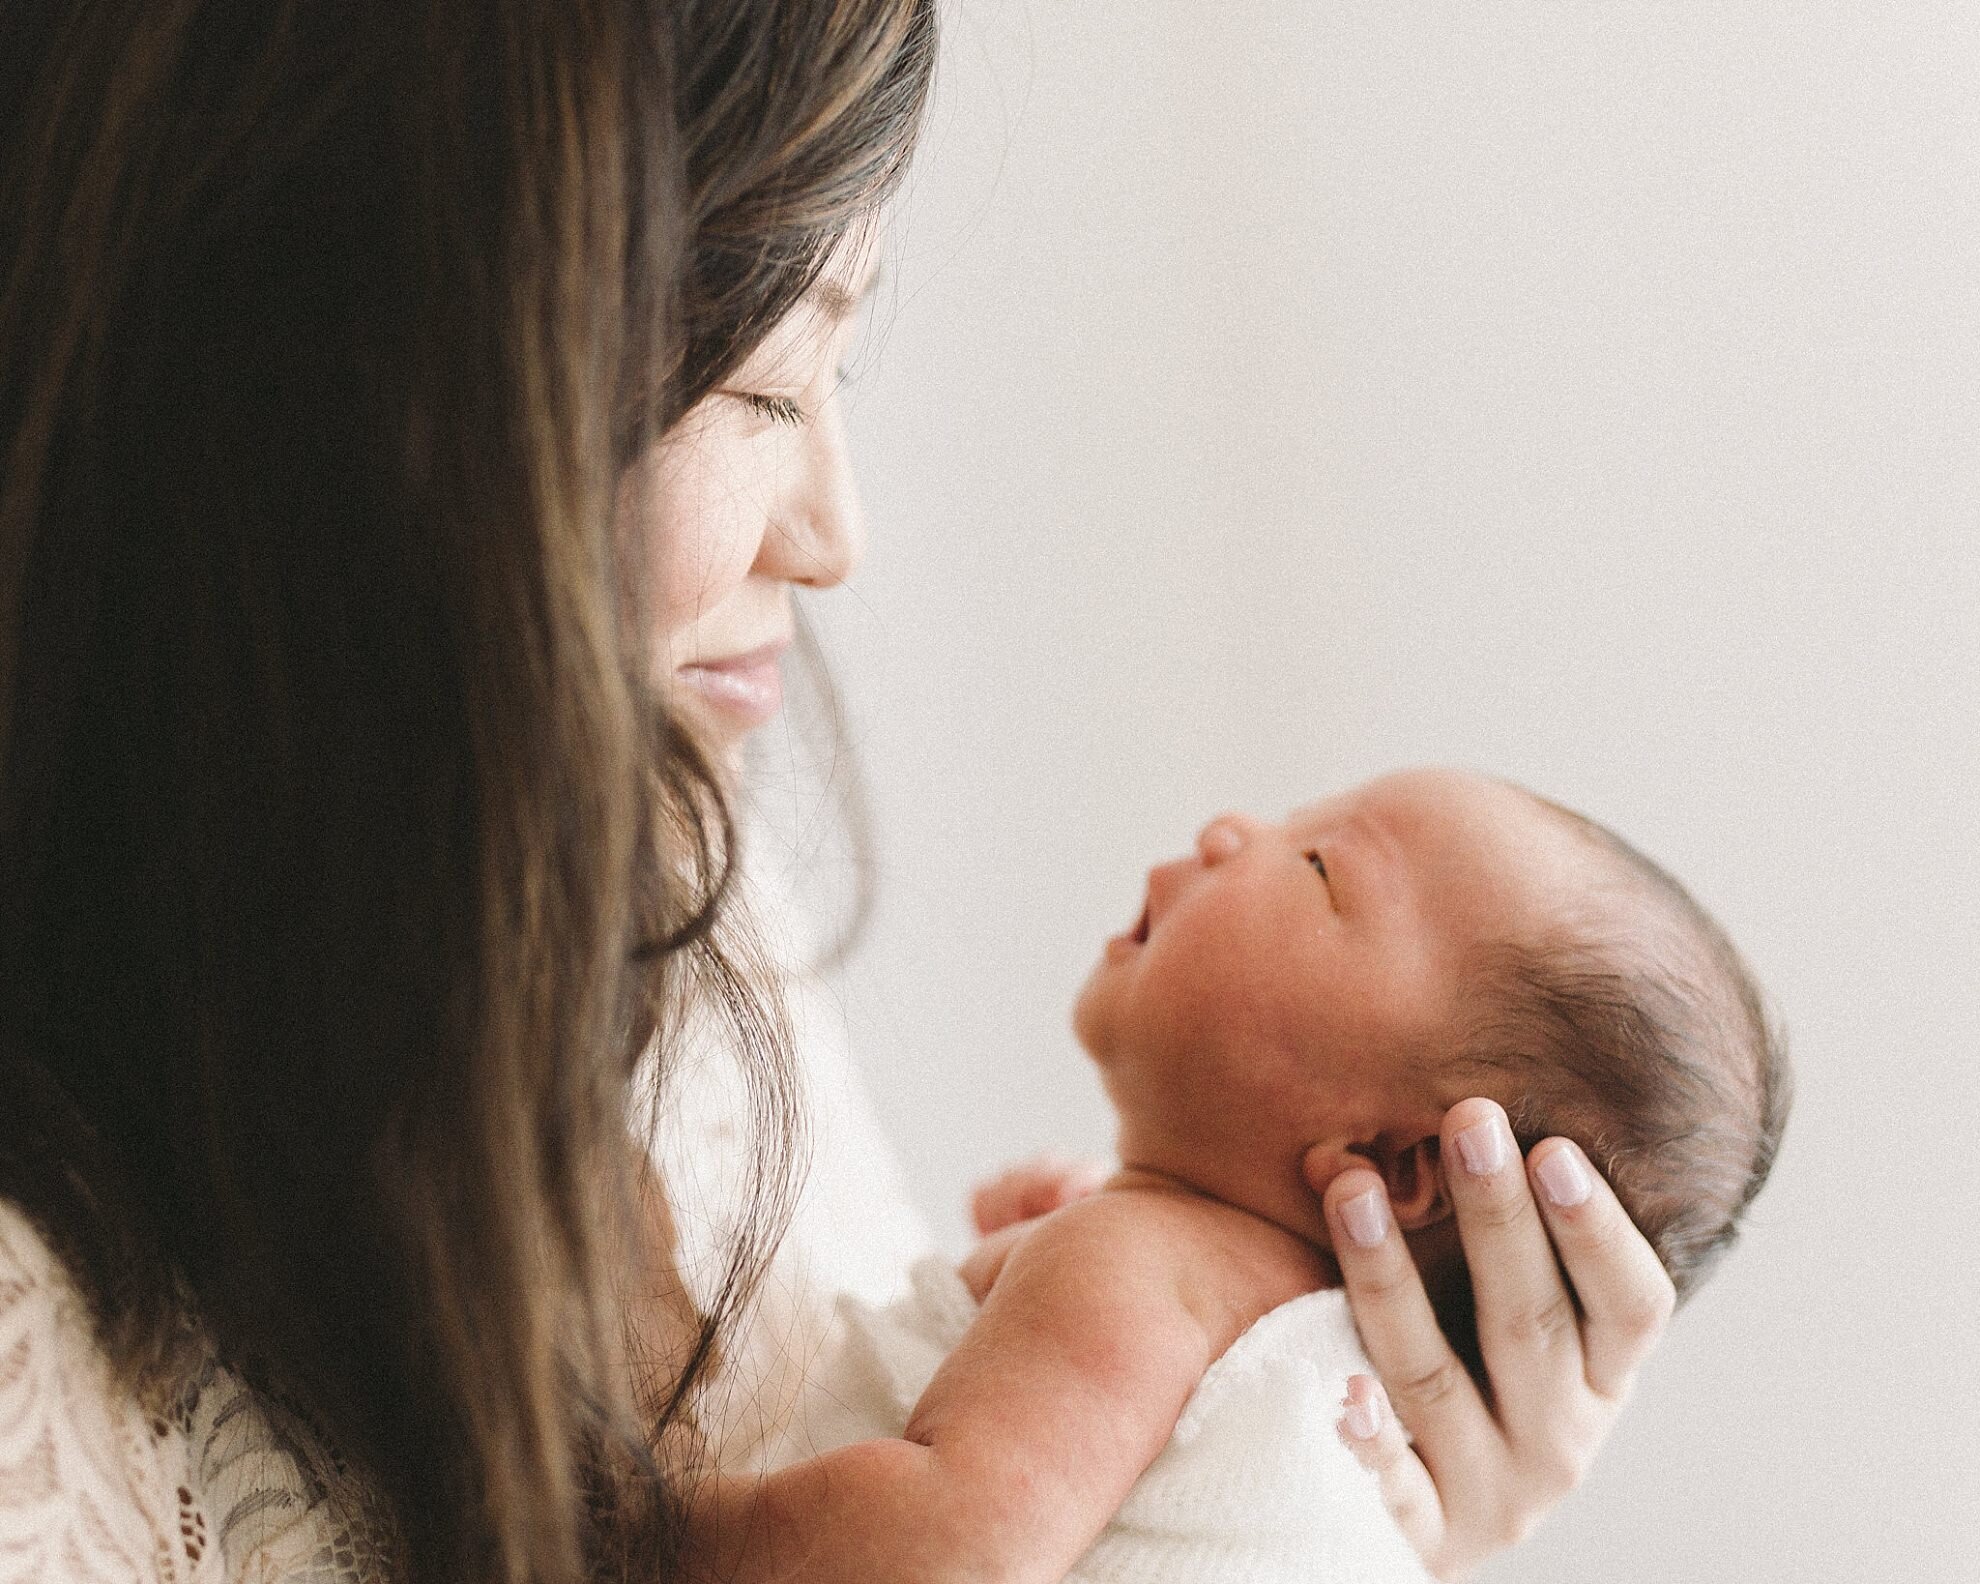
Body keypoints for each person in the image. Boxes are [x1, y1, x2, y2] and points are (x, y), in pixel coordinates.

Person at [0, 5, 1679, 1582]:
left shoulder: (681, 887)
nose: (838, 533)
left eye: (837, 378)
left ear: (1389, 1168)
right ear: (374, 394)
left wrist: (1384, 1519)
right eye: (763, 386)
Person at [676, 769, 1789, 1582]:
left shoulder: (1137, 1271)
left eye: (1318, 866)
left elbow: (942, 1548)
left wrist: (635, 1525)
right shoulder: (1338, 1408)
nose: (1230, 827)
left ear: (1397, 1166)